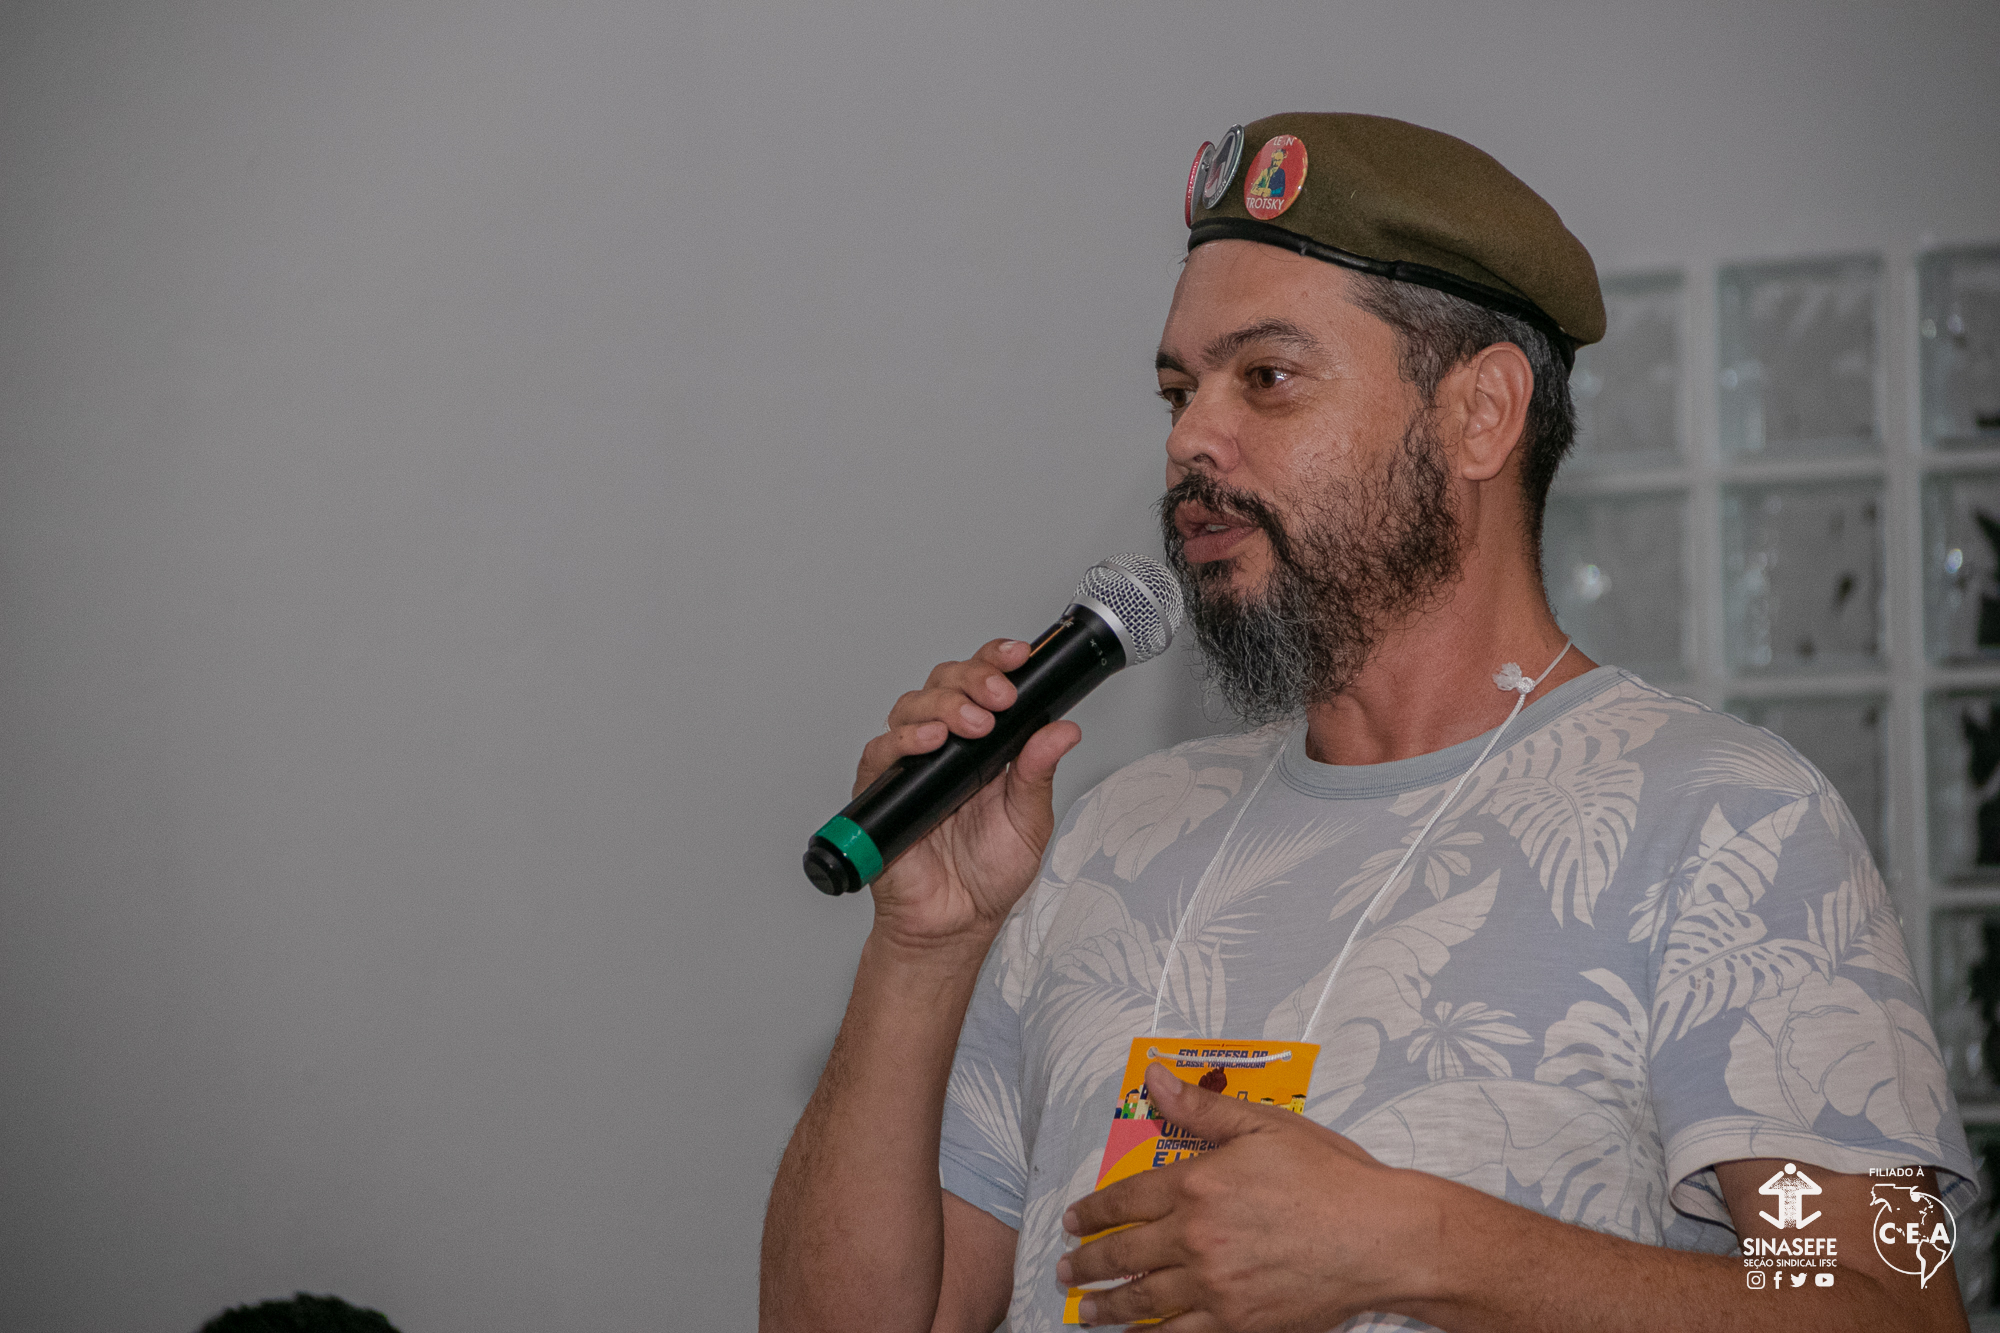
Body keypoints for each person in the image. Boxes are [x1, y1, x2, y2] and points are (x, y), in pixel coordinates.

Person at [758, 112, 1978, 1333]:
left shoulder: (1728, 819)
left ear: (1479, 413)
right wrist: (920, 951)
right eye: (1178, 390)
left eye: (1265, 378)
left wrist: (1420, 1243)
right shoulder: (1107, 834)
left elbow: (1897, 1307)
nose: (1187, 440)